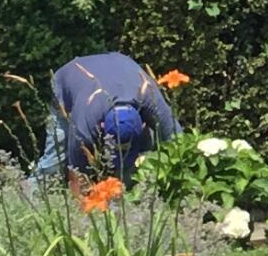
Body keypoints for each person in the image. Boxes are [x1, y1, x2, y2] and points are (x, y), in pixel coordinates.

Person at [32, 51, 180, 182]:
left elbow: (180, 144)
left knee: (139, 161)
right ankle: (25, 196)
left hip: (119, 68)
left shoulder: (151, 99)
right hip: (69, 80)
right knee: (54, 163)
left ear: (143, 123)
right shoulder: (85, 124)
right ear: (101, 126)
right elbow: (76, 174)